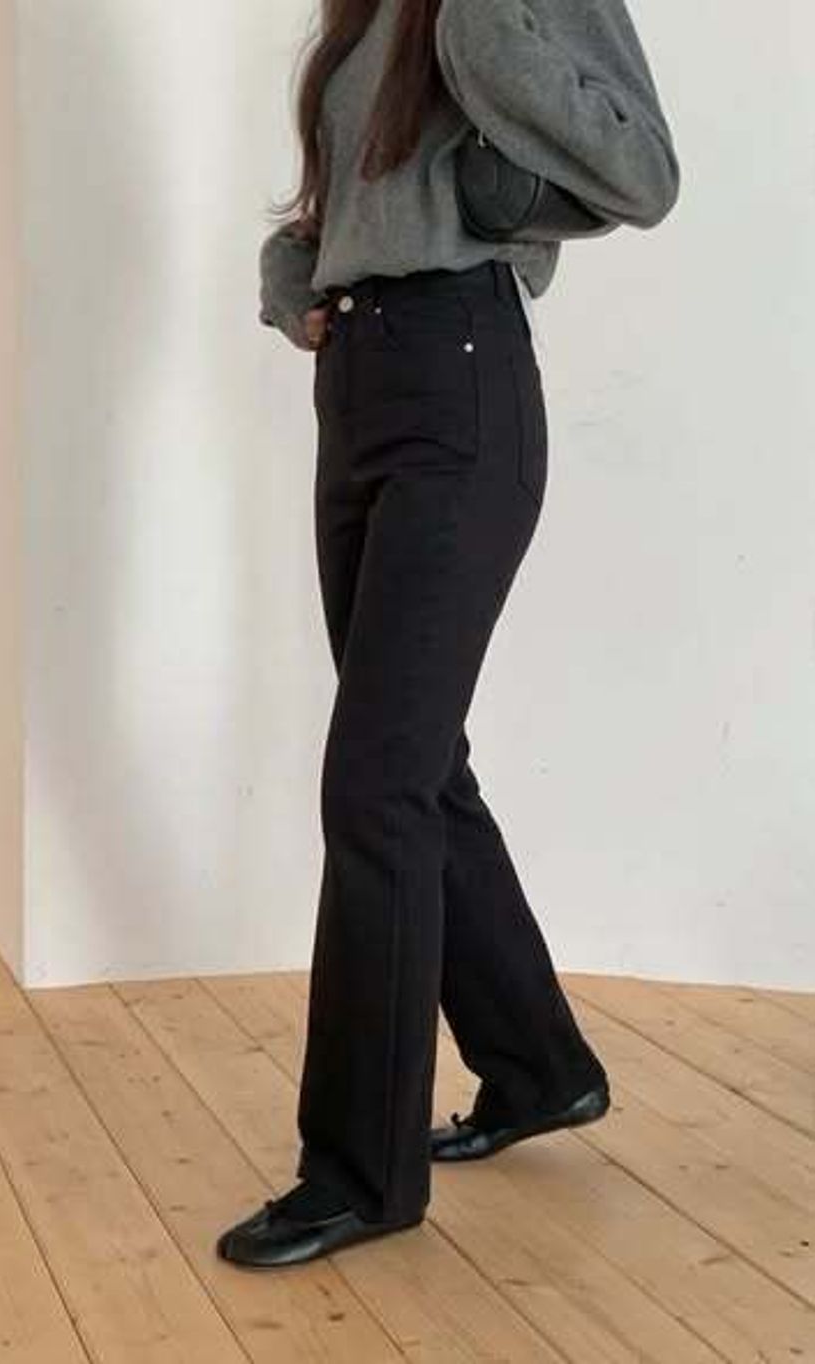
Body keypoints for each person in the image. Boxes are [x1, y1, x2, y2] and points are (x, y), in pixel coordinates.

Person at [217, 0, 680, 1269]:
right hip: (357, 390)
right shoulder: (357, 20)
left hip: (462, 381)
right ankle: (536, 1065)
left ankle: (359, 1172)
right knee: (417, 767)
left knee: (374, 785)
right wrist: (291, 284)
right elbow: (336, 214)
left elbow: (645, 173)